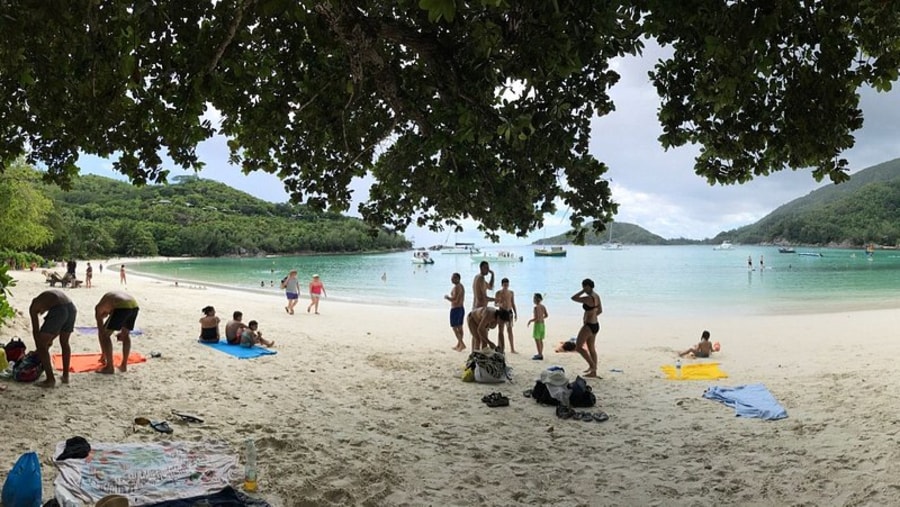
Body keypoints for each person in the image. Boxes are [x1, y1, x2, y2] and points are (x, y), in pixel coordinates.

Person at [29, 289, 77, 387]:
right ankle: (65, 376)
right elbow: (55, 331)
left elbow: (36, 331)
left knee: (42, 346)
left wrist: (40, 348)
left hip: (60, 309)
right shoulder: (47, 300)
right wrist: (48, 341)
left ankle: (50, 380)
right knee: (64, 342)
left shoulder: (33, 307)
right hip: (71, 307)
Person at [95, 291, 140, 374]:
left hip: (122, 306)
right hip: (134, 305)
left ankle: (109, 367)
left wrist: (103, 354)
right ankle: (124, 366)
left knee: (105, 335)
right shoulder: (110, 304)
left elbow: (101, 333)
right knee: (125, 335)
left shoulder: (98, 308)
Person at [571, 278, 602, 377]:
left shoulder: (588, 298)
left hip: (589, 325)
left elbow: (574, 298)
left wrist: (582, 291)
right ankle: (593, 372)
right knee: (591, 348)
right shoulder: (596, 296)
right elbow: (600, 310)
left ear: (588, 286)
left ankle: (592, 366)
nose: (583, 288)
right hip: (595, 324)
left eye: (584, 286)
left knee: (578, 347)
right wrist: (592, 314)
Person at [494, 278, 518, 353]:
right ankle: (500, 347)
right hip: (501, 312)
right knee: (500, 330)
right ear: (502, 285)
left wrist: (516, 313)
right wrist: (500, 304)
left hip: (509, 312)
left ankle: (512, 348)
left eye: (507, 285)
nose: (506, 286)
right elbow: (495, 303)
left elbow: (513, 303)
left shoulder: (511, 292)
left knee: (510, 330)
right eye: (504, 285)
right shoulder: (498, 293)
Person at [444, 273, 466, 351]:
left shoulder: (457, 287)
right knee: (459, 327)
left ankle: (461, 344)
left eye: (453, 278)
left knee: (454, 327)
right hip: (461, 308)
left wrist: (447, 298)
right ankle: (459, 345)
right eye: (452, 277)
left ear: (458, 278)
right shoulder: (461, 286)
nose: (452, 279)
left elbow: (455, 299)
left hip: (456, 309)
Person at [527, 293, 548, 360]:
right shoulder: (543, 306)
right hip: (542, 324)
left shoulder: (536, 308)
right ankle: (540, 353)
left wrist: (530, 321)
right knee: (541, 340)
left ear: (536, 299)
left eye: (534, 298)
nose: (533, 300)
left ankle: (539, 354)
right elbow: (546, 315)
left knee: (537, 340)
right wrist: (542, 317)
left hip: (538, 325)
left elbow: (536, 318)